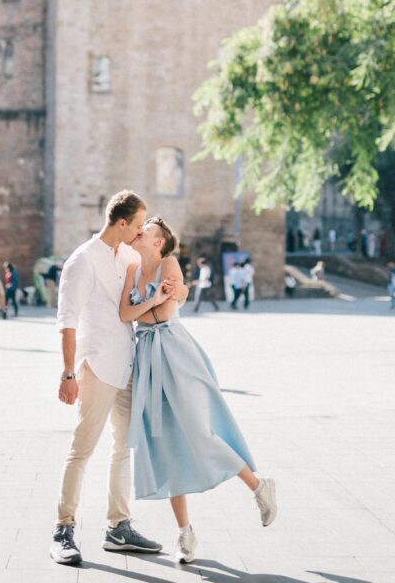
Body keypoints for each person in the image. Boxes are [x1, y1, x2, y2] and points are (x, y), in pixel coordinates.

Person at [121, 217, 277, 564]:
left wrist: (152, 305)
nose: (140, 229)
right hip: (147, 358)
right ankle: (185, 533)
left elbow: (163, 314)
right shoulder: (132, 270)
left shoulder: (168, 264)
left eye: (147, 227)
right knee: (165, 443)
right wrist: (152, 301)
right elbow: (125, 314)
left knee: (199, 430)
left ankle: (258, 487)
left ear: (158, 241)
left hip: (176, 353)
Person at [50, 190, 188, 566]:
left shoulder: (127, 255)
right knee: (82, 449)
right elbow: (67, 322)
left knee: (123, 449)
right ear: (122, 222)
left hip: (128, 366)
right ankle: (63, 529)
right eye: (139, 223)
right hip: (97, 366)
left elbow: (162, 277)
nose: (142, 230)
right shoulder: (82, 261)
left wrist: (181, 289)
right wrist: (68, 373)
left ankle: (118, 527)